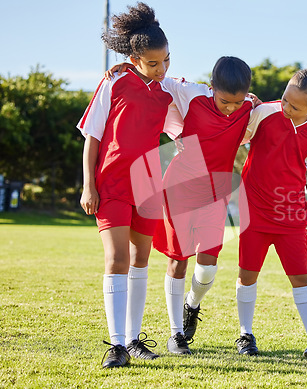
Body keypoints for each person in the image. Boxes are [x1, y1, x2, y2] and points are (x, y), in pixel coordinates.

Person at [105, 56, 254, 355]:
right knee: (178, 260)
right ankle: (176, 334)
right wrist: (131, 66)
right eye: (225, 101)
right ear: (212, 88)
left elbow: (283, 108)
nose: (231, 108)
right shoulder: (193, 94)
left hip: (216, 193)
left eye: (237, 103)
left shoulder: (250, 106)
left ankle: (192, 304)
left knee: (208, 267)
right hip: (179, 189)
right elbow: (157, 78)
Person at [78, 2, 181, 368]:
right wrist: (89, 185)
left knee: (140, 259)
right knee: (116, 258)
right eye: (153, 63)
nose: (161, 68)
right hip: (112, 183)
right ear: (134, 57)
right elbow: (92, 136)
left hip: (149, 185)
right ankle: (117, 345)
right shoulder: (114, 81)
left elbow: (198, 114)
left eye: (166, 60)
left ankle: (135, 339)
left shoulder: (170, 91)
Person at [235, 69, 307, 363]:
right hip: (253, 206)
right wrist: (244, 108)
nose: (286, 107)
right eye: (284, 99)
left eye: (294, 106)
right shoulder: (264, 112)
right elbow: (237, 137)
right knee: (247, 273)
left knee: (301, 276)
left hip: (291, 211)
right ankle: (245, 334)